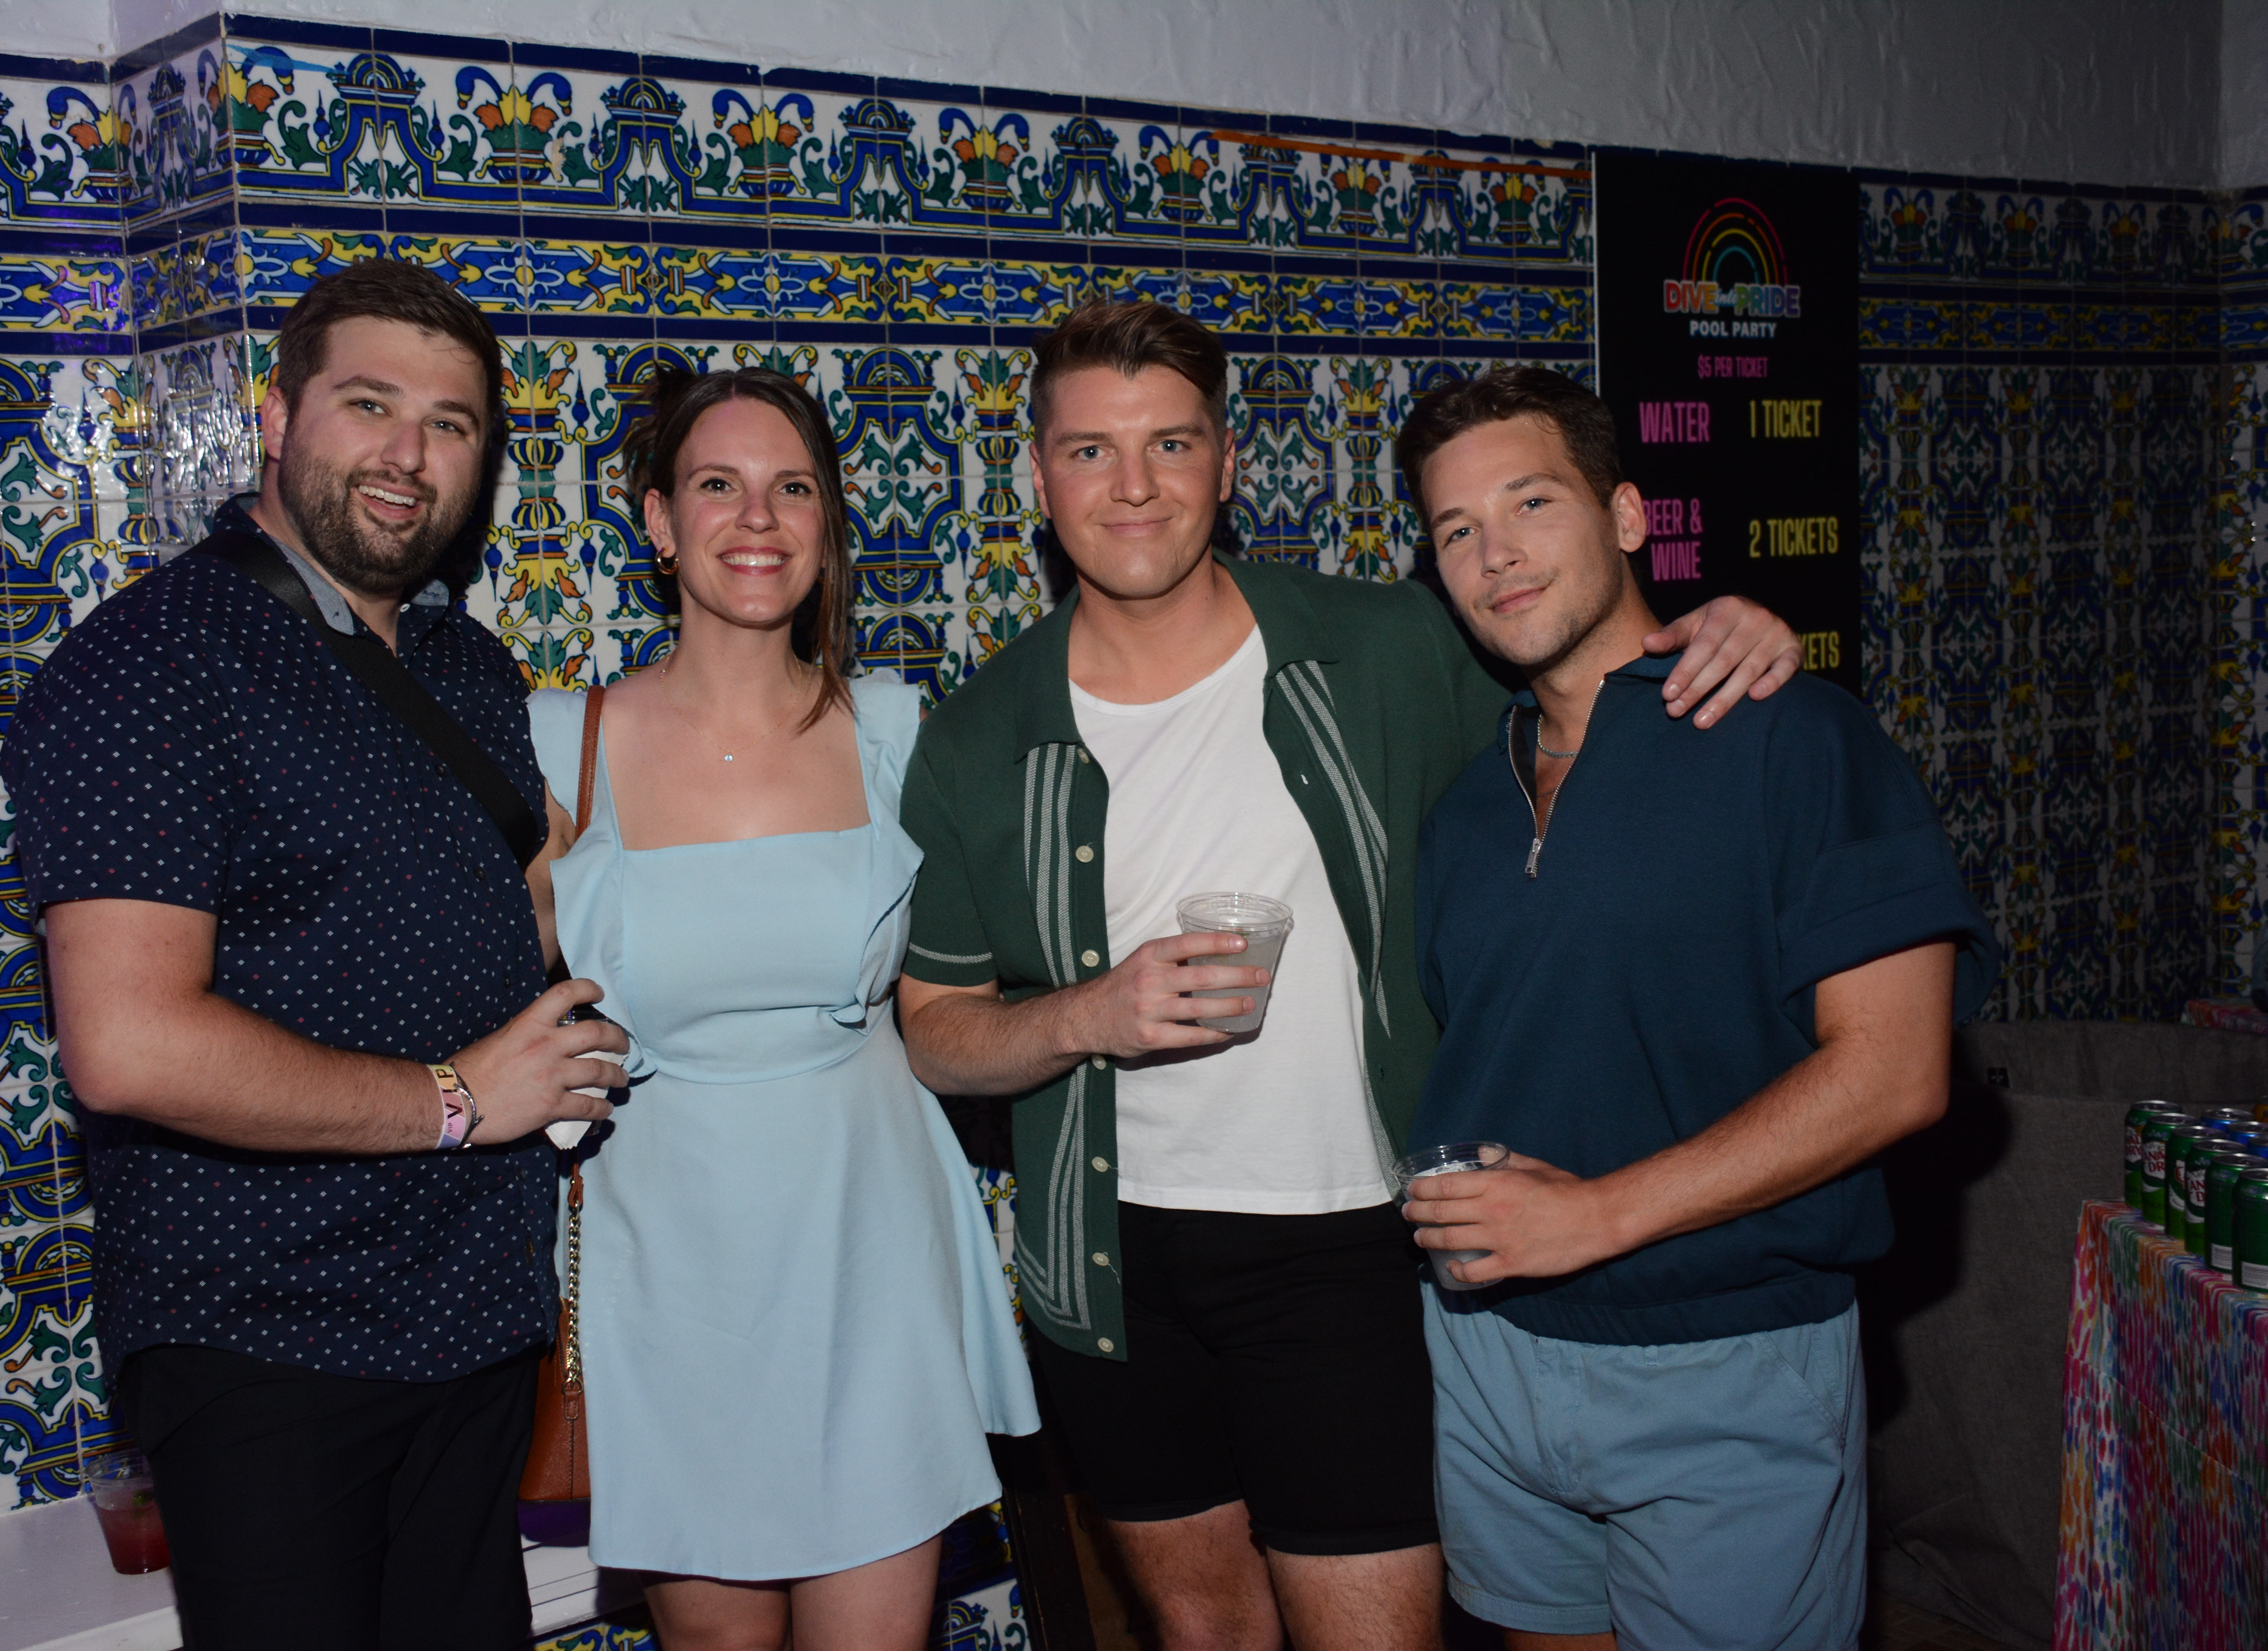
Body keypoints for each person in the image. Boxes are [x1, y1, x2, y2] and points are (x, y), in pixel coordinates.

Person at [893, 299, 1804, 1651]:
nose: (1133, 486)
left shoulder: (1386, 646)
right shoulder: (979, 734)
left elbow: (1577, 689)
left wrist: (1720, 625)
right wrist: (1092, 1015)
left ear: (1227, 465)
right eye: (1090, 451)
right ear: (1038, 477)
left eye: (1171, 445)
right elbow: (935, 1031)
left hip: (1351, 1243)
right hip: (1110, 1262)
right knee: (1203, 1632)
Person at [7, 260, 626, 1651]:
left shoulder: (467, 670)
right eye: (370, 405)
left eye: (451, 424)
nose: (409, 454)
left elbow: (524, 916)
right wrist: (459, 1101)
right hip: (269, 1343)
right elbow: (128, 1044)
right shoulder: (151, 664)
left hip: (473, 1325)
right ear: (277, 417)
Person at [1396, 367, 1996, 1651]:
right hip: (1490, 1354)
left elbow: (1897, 1073)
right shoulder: (1464, 809)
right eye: (1456, 530)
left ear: (1626, 517)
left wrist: (1598, 1216)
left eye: (1532, 502)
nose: (1497, 555)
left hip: (1726, 1352)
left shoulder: (1794, 739)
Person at [527, 364, 1038, 1651]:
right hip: (669, 1264)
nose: (757, 518)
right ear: (659, 520)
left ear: (826, 524)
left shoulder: (898, 731)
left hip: (871, 1247)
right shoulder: (559, 744)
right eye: (719, 485)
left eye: (792, 489)